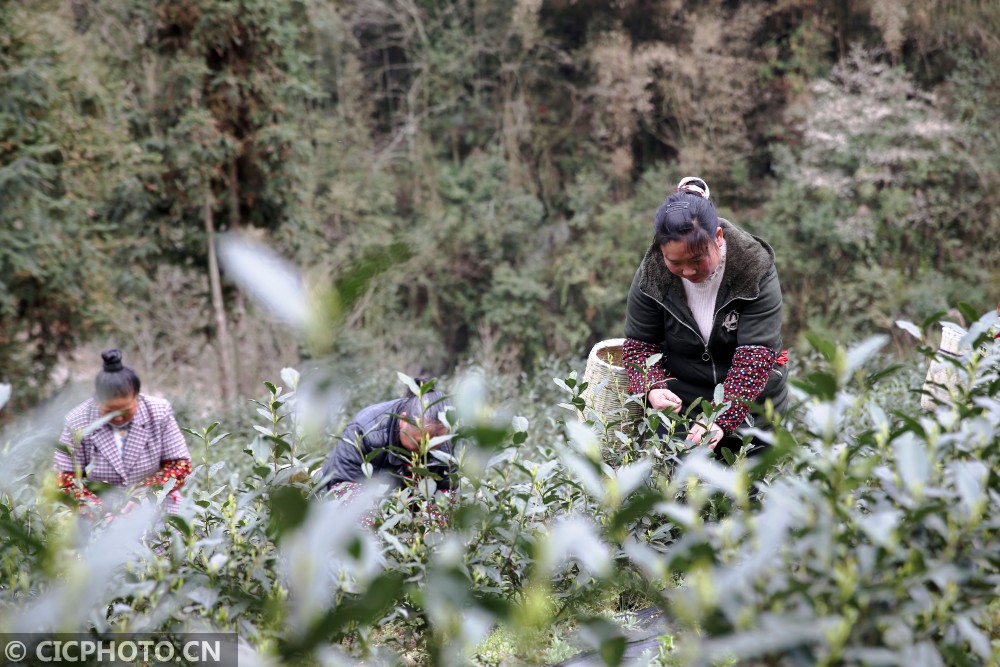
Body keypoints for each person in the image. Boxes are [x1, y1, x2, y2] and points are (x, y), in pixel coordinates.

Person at [623, 177, 788, 456]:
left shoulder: (753, 268)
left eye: (697, 260)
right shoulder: (652, 275)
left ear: (718, 238)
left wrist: (720, 417)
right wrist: (651, 386)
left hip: (752, 411)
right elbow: (639, 346)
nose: (688, 271)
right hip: (681, 411)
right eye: (675, 262)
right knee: (680, 495)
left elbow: (756, 356)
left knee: (751, 494)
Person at [54, 349, 192, 515]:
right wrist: (96, 510)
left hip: (156, 507)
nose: (118, 418)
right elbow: (65, 478)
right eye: (110, 411)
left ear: (137, 397)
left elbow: (180, 465)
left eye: (126, 410)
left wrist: (146, 495)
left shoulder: (159, 412)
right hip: (98, 517)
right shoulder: (78, 421)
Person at [319, 382, 454, 527]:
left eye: (435, 444)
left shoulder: (444, 440)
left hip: (405, 505)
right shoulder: (364, 430)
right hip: (363, 498)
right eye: (420, 443)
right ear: (402, 421)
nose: (426, 450)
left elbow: (447, 490)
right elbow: (343, 487)